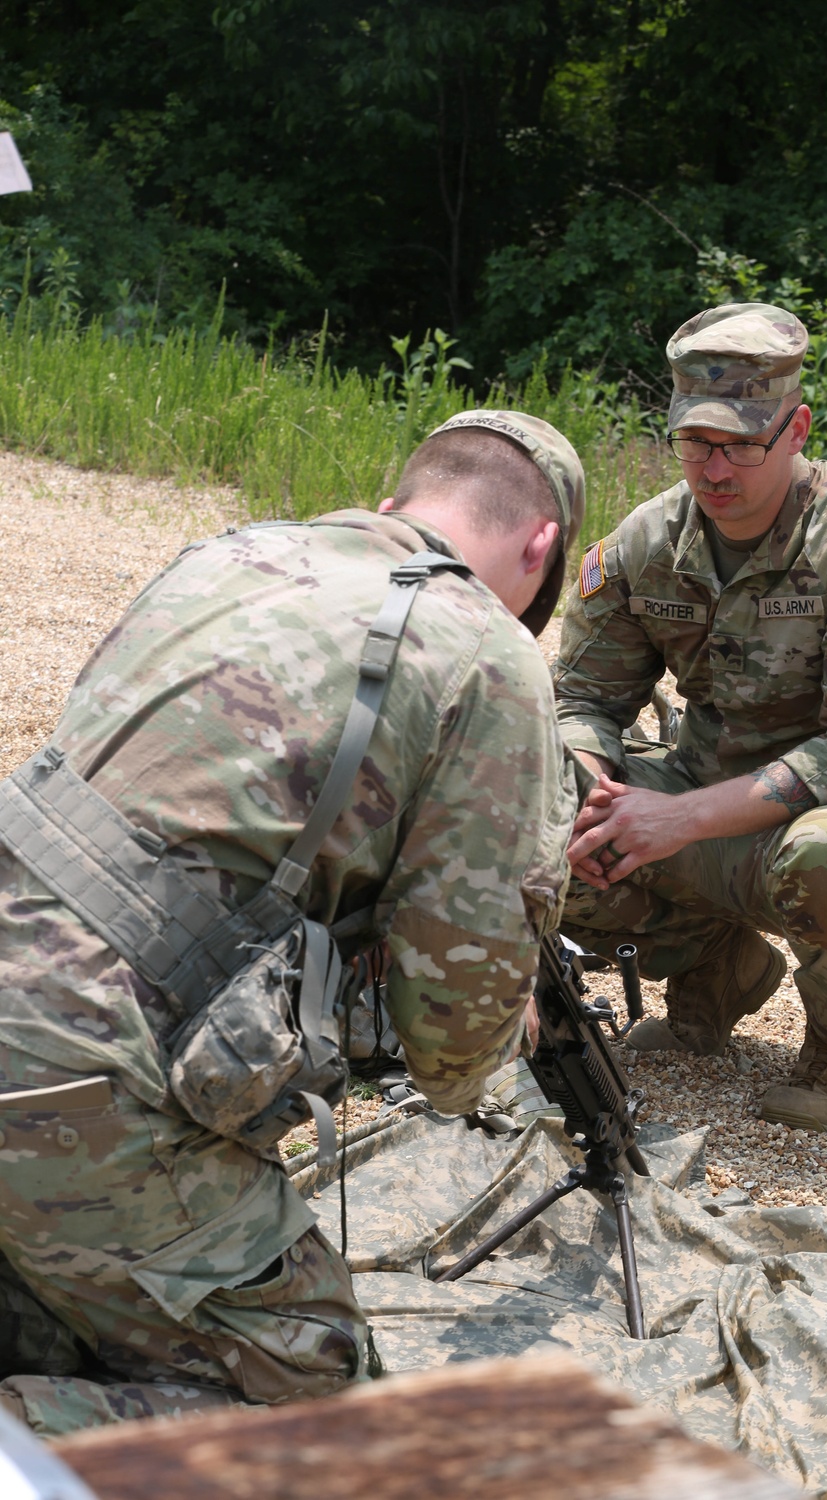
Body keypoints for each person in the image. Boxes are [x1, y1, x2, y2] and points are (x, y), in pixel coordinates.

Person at [0, 408, 585, 1435]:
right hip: (68, 1073)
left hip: (37, 989)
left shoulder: (228, 553)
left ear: (399, 500)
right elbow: (453, 1053)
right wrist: (508, 1013)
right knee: (316, 1404)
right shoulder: (487, 654)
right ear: (541, 547)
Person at [554, 302, 827, 1134]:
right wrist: (590, 781)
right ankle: (715, 971)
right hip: (707, 811)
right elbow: (582, 699)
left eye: (744, 443)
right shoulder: (648, 542)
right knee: (539, 809)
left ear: (797, 427)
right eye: (696, 443)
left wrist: (681, 815)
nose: (716, 470)